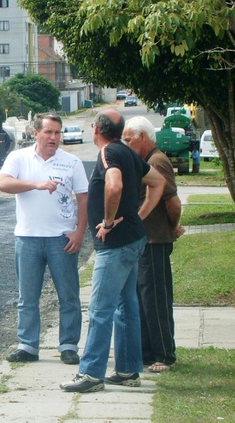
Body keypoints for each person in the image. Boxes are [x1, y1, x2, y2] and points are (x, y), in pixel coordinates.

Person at [60, 109, 165, 393]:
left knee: (100, 309)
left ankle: (91, 374)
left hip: (116, 245)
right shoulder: (128, 151)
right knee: (126, 306)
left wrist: (108, 222)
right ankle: (128, 371)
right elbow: (158, 182)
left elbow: (114, 185)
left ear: (95, 129)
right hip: (133, 239)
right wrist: (137, 217)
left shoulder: (109, 153)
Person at [0, 113, 89, 366]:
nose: (53, 137)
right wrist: (36, 185)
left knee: (68, 296)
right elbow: (2, 183)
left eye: (57, 132)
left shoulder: (71, 162)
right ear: (35, 133)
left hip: (61, 239)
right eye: (48, 132)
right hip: (28, 238)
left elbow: (83, 198)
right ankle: (27, 345)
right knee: (27, 297)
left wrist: (79, 232)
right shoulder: (19, 158)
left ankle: (68, 346)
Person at [123, 116, 185, 373]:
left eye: (129, 139)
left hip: (155, 240)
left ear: (143, 137)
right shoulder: (145, 161)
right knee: (143, 297)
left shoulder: (157, 161)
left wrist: (172, 226)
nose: (125, 144)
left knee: (155, 298)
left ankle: (164, 355)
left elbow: (173, 202)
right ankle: (148, 352)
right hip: (144, 240)